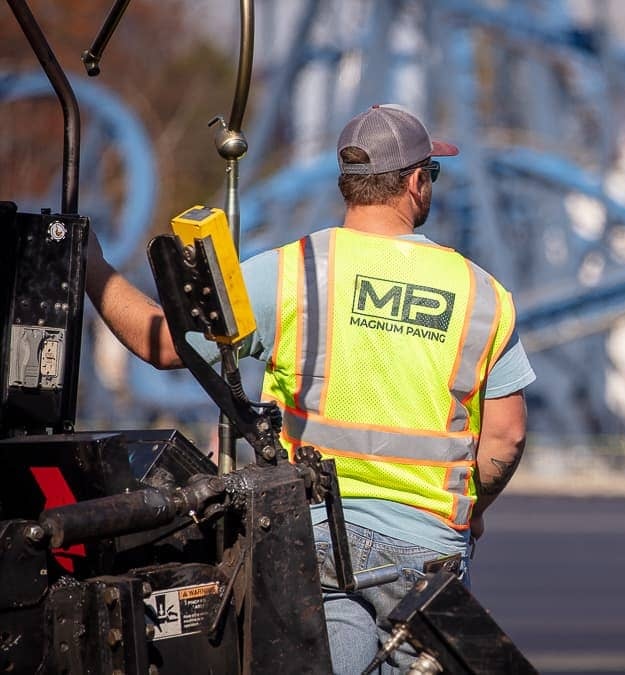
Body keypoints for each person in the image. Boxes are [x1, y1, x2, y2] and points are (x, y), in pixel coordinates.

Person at [85, 103, 535, 673]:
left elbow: (162, 345)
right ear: (417, 183)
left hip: (314, 541)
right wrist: (474, 509)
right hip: (428, 554)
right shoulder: (482, 293)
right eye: (433, 175)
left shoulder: (293, 271)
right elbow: (507, 437)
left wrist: (91, 265)